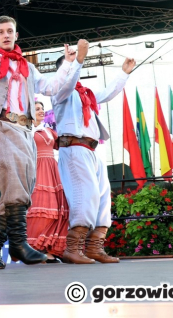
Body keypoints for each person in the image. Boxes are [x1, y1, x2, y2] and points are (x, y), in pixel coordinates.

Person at [0, 4, 83, 269]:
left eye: (10, 31)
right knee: (15, 187)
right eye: (1, 31)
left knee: (22, 189)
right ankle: (18, 243)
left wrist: (69, 64)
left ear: (16, 35)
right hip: (0, 126)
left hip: (25, 130)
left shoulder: (27, 67)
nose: (6, 35)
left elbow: (51, 87)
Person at [51, 46, 134, 264]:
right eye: (68, 64)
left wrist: (123, 73)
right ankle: (73, 248)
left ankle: (95, 247)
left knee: (102, 198)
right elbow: (68, 81)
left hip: (93, 149)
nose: (73, 67)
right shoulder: (59, 91)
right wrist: (76, 61)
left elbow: (107, 93)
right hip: (74, 149)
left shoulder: (85, 94)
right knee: (84, 196)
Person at [26, 101, 67, 263]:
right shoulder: (27, 131)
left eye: (42, 108)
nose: (41, 111)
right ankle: (36, 249)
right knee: (40, 209)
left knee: (56, 209)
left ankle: (50, 250)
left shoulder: (49, 130)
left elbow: (62, 144)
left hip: (53, 169)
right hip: (37, 169)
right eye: (37, 109)